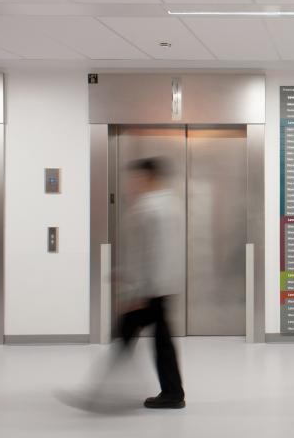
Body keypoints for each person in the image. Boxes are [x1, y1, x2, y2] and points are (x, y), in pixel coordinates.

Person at [116, 156, 186, 409]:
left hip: (150, 288)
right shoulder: (171, 204)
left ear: (148, 177)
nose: (132, 183)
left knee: (125, 334)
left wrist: (136, 289)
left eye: (136, 178)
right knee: (160, 340)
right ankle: (173, 393)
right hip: (162, 285)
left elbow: (150, 252)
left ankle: (106, 389)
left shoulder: (150, 207)